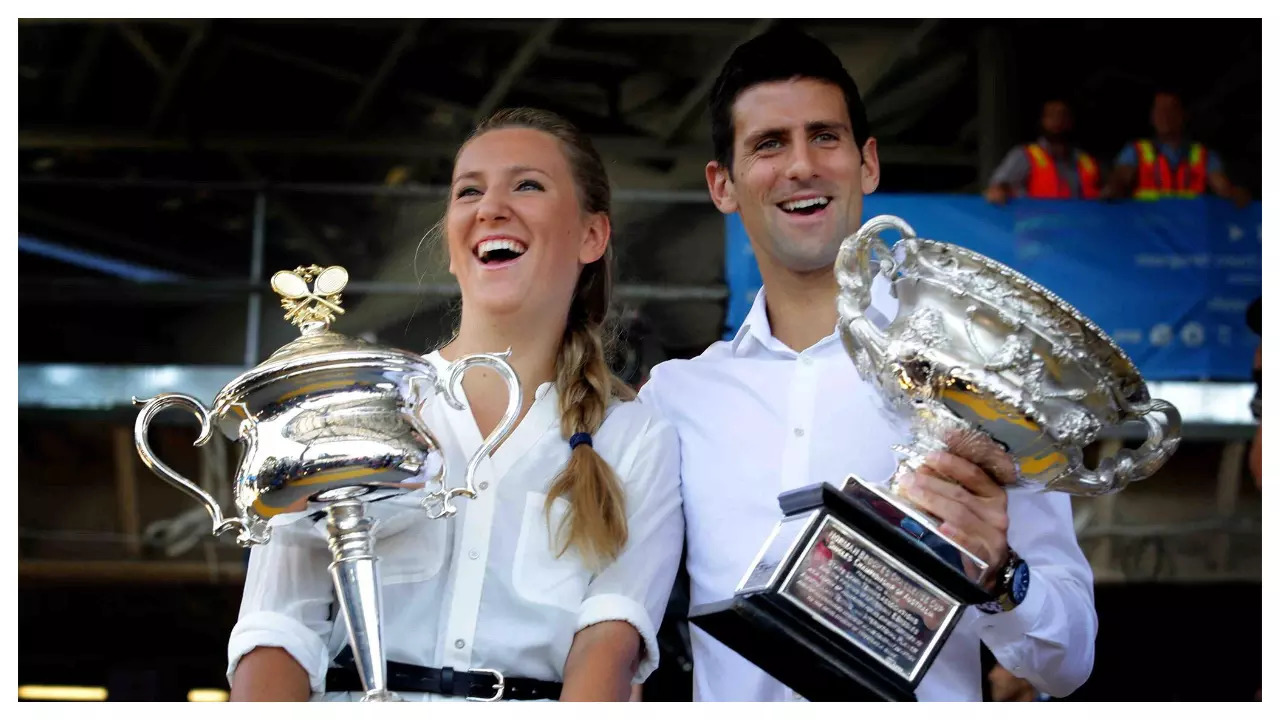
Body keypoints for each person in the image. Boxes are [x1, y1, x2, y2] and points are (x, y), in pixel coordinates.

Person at [638, 28, 1097, 702]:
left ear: (868, 163)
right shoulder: (676, 398)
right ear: (722, 184)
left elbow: (1070, 658)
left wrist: (1002, 577)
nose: (801, 166)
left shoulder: (976, 383)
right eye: (769, 144)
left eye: (824, 136)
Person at [225, 108, 684, 702]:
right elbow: (277, 630)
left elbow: (609, 649)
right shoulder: (350, 408)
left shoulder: (635, 437)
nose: (491, 207)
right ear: (450, 242)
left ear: (592, 236)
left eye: (527, 185)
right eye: (470, 190)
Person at [1101, 90, 1251, 207]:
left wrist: (1236, 194)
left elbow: (1223, 187)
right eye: (1159, 111)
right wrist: (1113, 188)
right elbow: (1120, 177)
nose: (1164, 116)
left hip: (1188, 232)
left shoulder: (1203, 155)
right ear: (1152, 117)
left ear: (1183, 116)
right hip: (1149, 234)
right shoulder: (1136, 151)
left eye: (1171, 110)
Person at [985, 98, 1101, 204]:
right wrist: (997, 190)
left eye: (1062, 115)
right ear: (1042, 121)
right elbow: (999, 184)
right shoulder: (1024, 155)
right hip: (1038, 225)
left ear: (1070, 121)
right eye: (1051, 116)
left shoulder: (1086, 160)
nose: (1058, 120)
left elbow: (1105, 193)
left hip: (1079, 224)